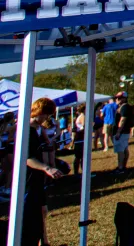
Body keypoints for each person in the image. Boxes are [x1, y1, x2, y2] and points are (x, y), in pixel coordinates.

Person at [20, 99, 66, 246]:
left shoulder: (36, 129)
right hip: (28, 180)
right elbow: (27, 158)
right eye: (46, 115)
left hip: (37, 179)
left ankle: (44, 242)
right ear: (39, 112)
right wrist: (47, 168)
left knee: (43, 210)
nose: (47, 118)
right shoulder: (27, 130)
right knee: (32, 216)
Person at [111, 91, 134, 174]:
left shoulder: (124, 107)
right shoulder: (124, 107)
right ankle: (122, 166)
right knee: (124, 149)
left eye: (119, 98)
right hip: (125, 131)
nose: (117, 99)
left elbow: (123, 119)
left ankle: (120, 167)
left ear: (124, 98)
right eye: (117, 98)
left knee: (120, 150)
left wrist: (119, 131)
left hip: (122, 132)